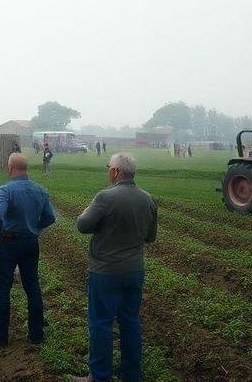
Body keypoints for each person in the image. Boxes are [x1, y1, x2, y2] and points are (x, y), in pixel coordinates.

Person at [74, 153, 158, 382]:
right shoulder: (148, 199)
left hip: (105, 272)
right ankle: (131, 374)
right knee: (130, 322)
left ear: (116, 172)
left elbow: (82, 225)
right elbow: (150, 237)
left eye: (109, 167)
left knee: (101, 324)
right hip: (134, 271)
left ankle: (99, 376)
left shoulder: (104, 197)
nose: (108, 170)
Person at [0, 152, 56, 347]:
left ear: (10, 167)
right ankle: (37, 334)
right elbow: (50, 217)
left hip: (8, 243)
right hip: (31, 243)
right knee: (32, 287)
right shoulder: (40, 190)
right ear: (26, 169)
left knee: (2, 288)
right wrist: (35, 229)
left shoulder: (5, 190)